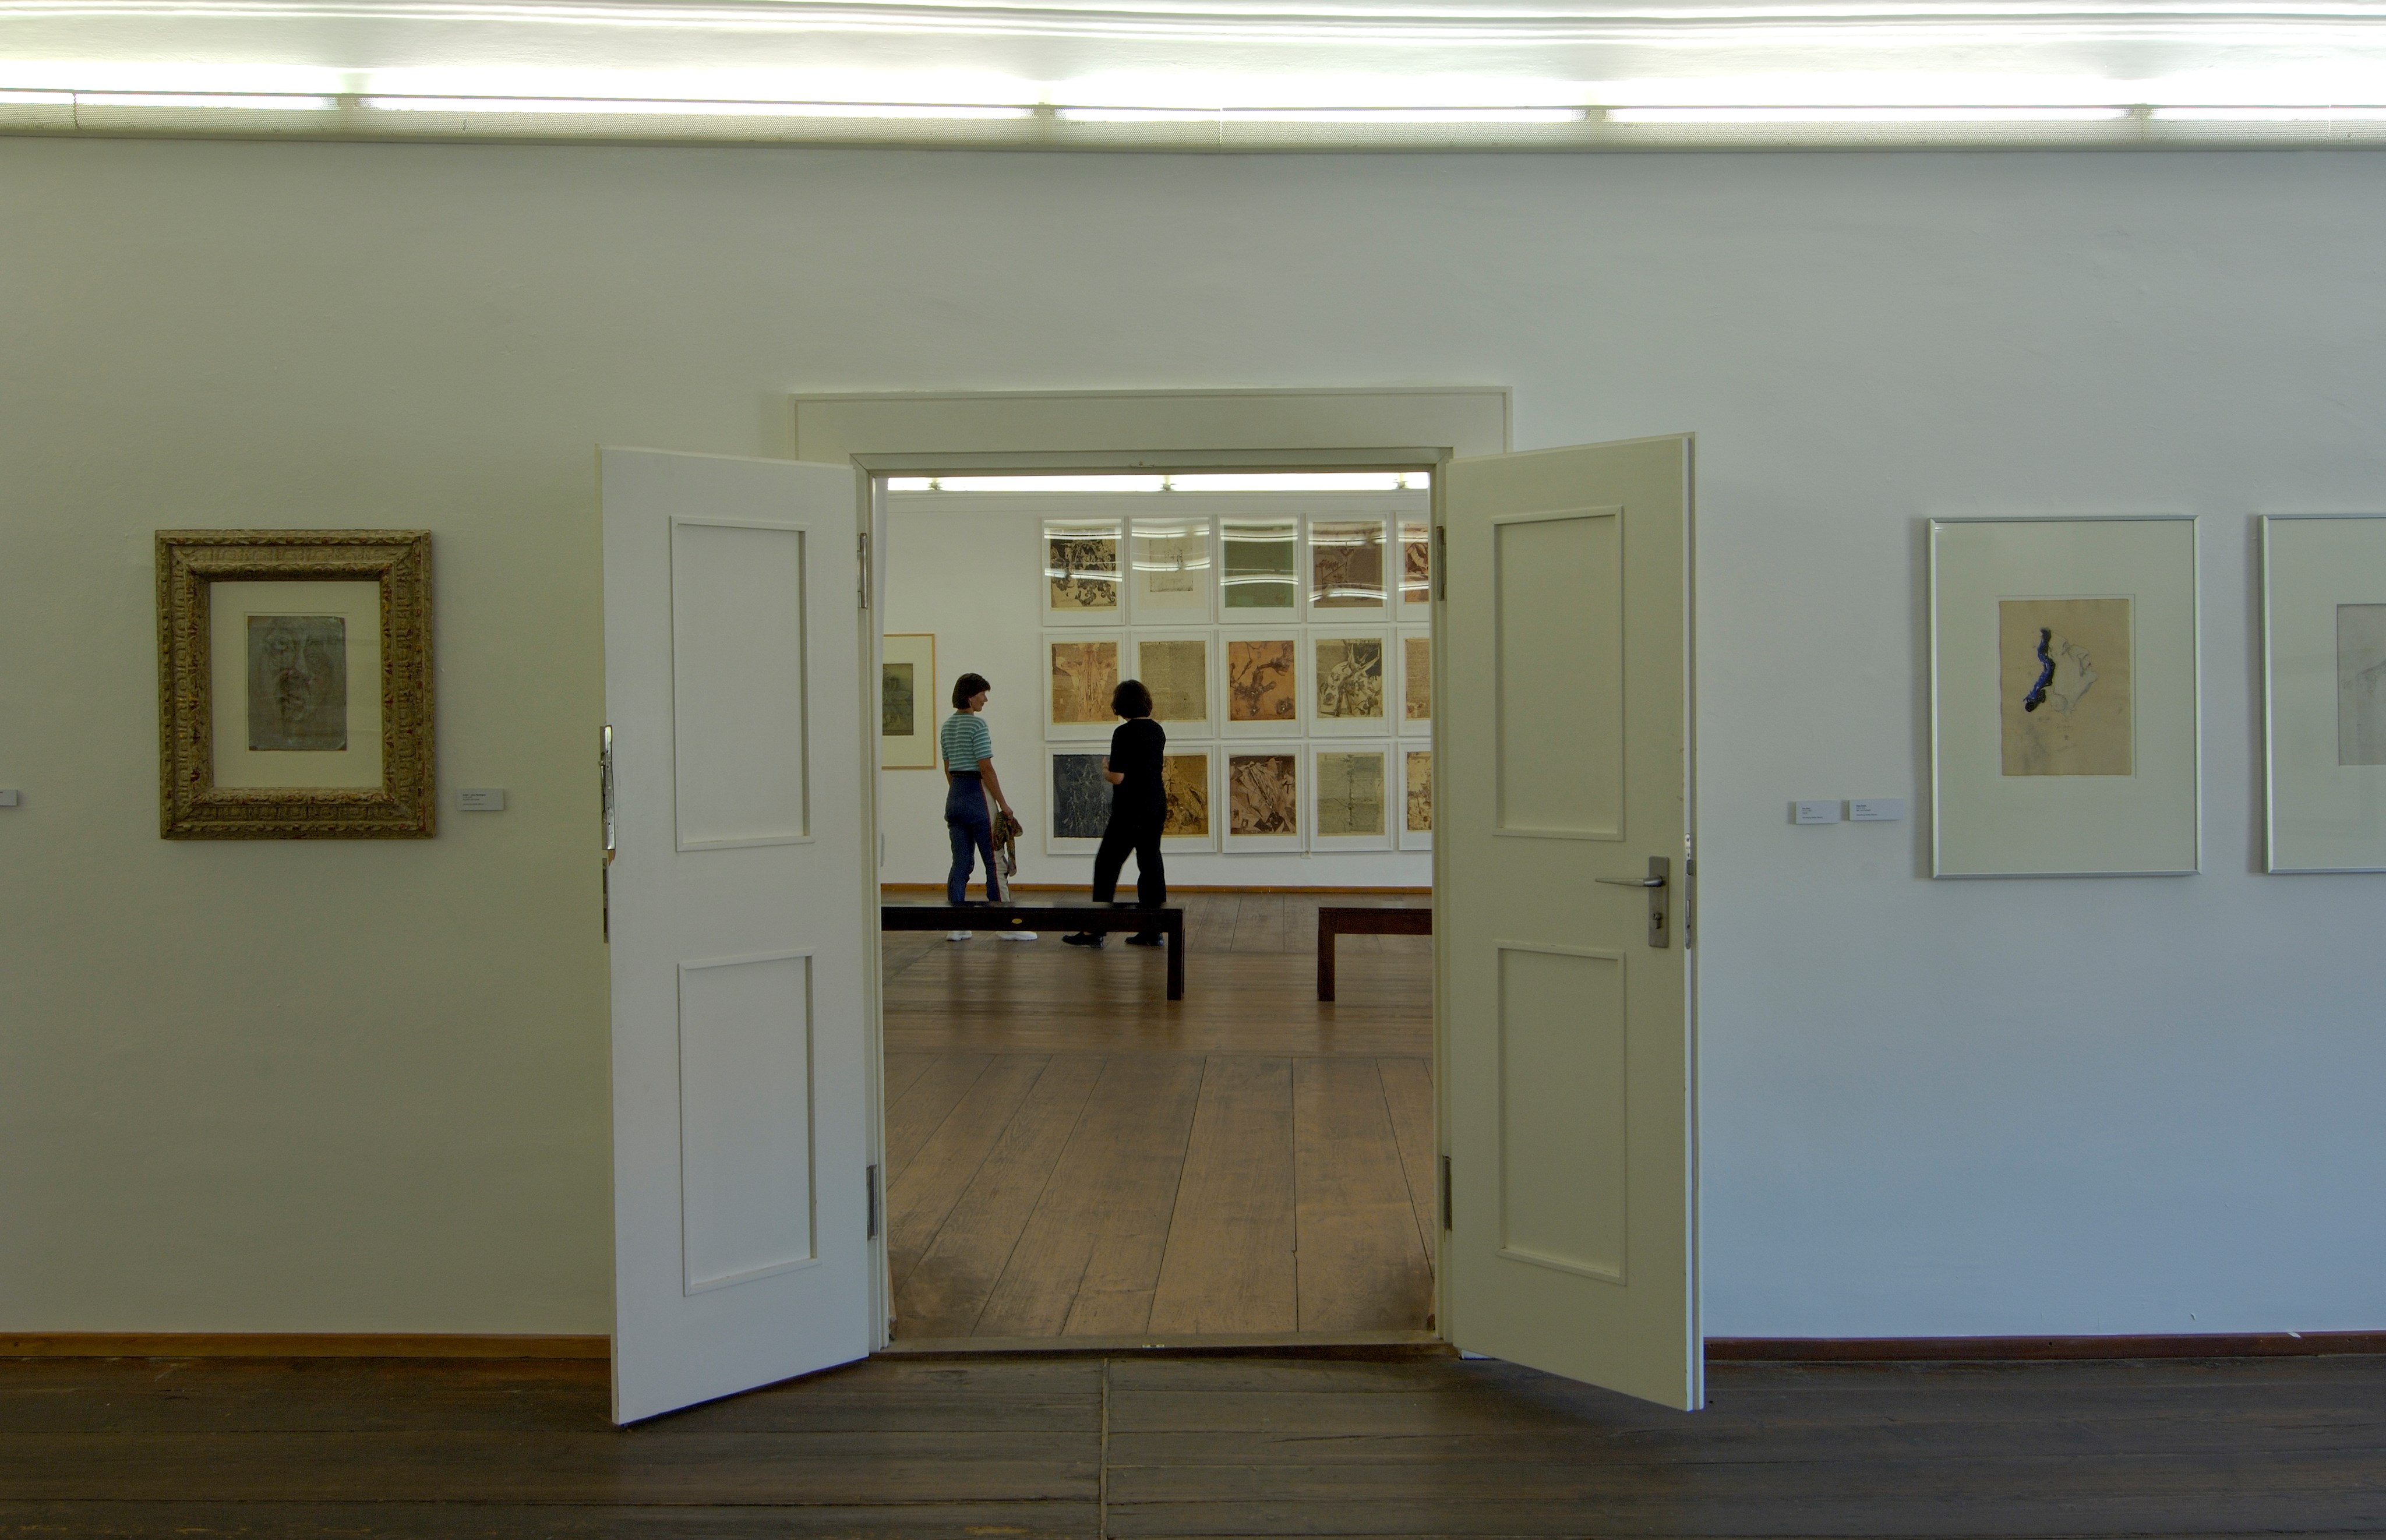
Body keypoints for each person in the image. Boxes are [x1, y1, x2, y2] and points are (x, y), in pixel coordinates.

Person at [1064, 679, 1167, 949]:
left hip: (1130, 808)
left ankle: (1095, 930)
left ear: (1121, 704)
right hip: (1156, 805)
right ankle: (1153, 930)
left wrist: (1105, 770)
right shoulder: (1157, 731)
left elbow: (1118, 777)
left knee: (1107, 865)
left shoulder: (1123, 733)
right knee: (1150, 864)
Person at [938, 673, 1034, 942]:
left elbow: (948, 769)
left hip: (955, 797)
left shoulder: (947, 726)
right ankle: (1005, 924)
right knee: (994, 862)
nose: (985, 699)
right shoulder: (977, 725)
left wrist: (958, 795)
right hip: (978, 797)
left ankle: (956, 926)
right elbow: (986, 768)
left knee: (960, 863)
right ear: (971, 697)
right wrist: (1004, 805)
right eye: (983, 694)